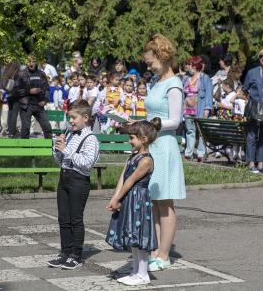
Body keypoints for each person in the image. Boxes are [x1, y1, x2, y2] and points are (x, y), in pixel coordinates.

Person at [143, 34, 186, 271]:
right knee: (154, 200)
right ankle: (157, 249)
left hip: (165, 145)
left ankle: (164, 254)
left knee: (165, 202)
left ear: (162, 56)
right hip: (153, 143)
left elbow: (176, 120)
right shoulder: (157, 82)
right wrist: (142, 123)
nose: (148, 66)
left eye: (151, 62)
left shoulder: (174, 84)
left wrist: (150, 125)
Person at [105, 119, 160, 286]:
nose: (129, 141)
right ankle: (136, 271)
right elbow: (123, 178)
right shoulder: (133, 157)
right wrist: (115, 198)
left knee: (140, 237)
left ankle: (143, 274)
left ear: (143, 139)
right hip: (130, 198)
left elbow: (131, 181)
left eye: (132, 138)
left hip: (139, 200)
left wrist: (118, 197)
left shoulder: (146, 160)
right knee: (132, 236)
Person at [47, 100, 99, 269]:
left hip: (79, 181)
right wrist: (56, 149)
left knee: (75, 219)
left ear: (85, 118)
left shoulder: (91, 139)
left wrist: (67, 150)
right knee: (63, 218)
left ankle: (76, 255)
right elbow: (61, 161)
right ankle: (64, 252)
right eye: (70, 117)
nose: (70, 121)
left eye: (74, 118)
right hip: (64, 178)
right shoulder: (69, 134)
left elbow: (86, 163)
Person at [182, 56, 213, 161]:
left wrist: (207, 109)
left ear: (195, 66)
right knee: (190, 131)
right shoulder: (186, 79)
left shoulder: (205, 78)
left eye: (190, 64)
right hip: (187, 109)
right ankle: (188, 153)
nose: (188, 67)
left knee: (200, 132)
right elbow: (183, 95)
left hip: (199, 109)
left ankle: (200, 154)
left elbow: (209, 94)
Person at [21, 55, 52, 139]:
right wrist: (29, 91)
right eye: (29, 61)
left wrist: (45, 101)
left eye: (33, 61)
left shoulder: (41, 74)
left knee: (47, 127)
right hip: (26, 105)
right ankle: (24, 149)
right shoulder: (22, 74)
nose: (31, 64)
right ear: (26, 62)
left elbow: (47, 89)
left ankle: (48, 148)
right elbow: (16, 90)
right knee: (25, 128)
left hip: (39, 104)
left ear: (36, 62)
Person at [3, 62, 30, 139]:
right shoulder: (17, 74)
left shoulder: (7, 73)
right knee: (14, 114)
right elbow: (19, 85)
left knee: (10, 114)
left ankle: (10, 131)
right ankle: (12, 132)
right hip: (16, 96)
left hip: (9, 95)